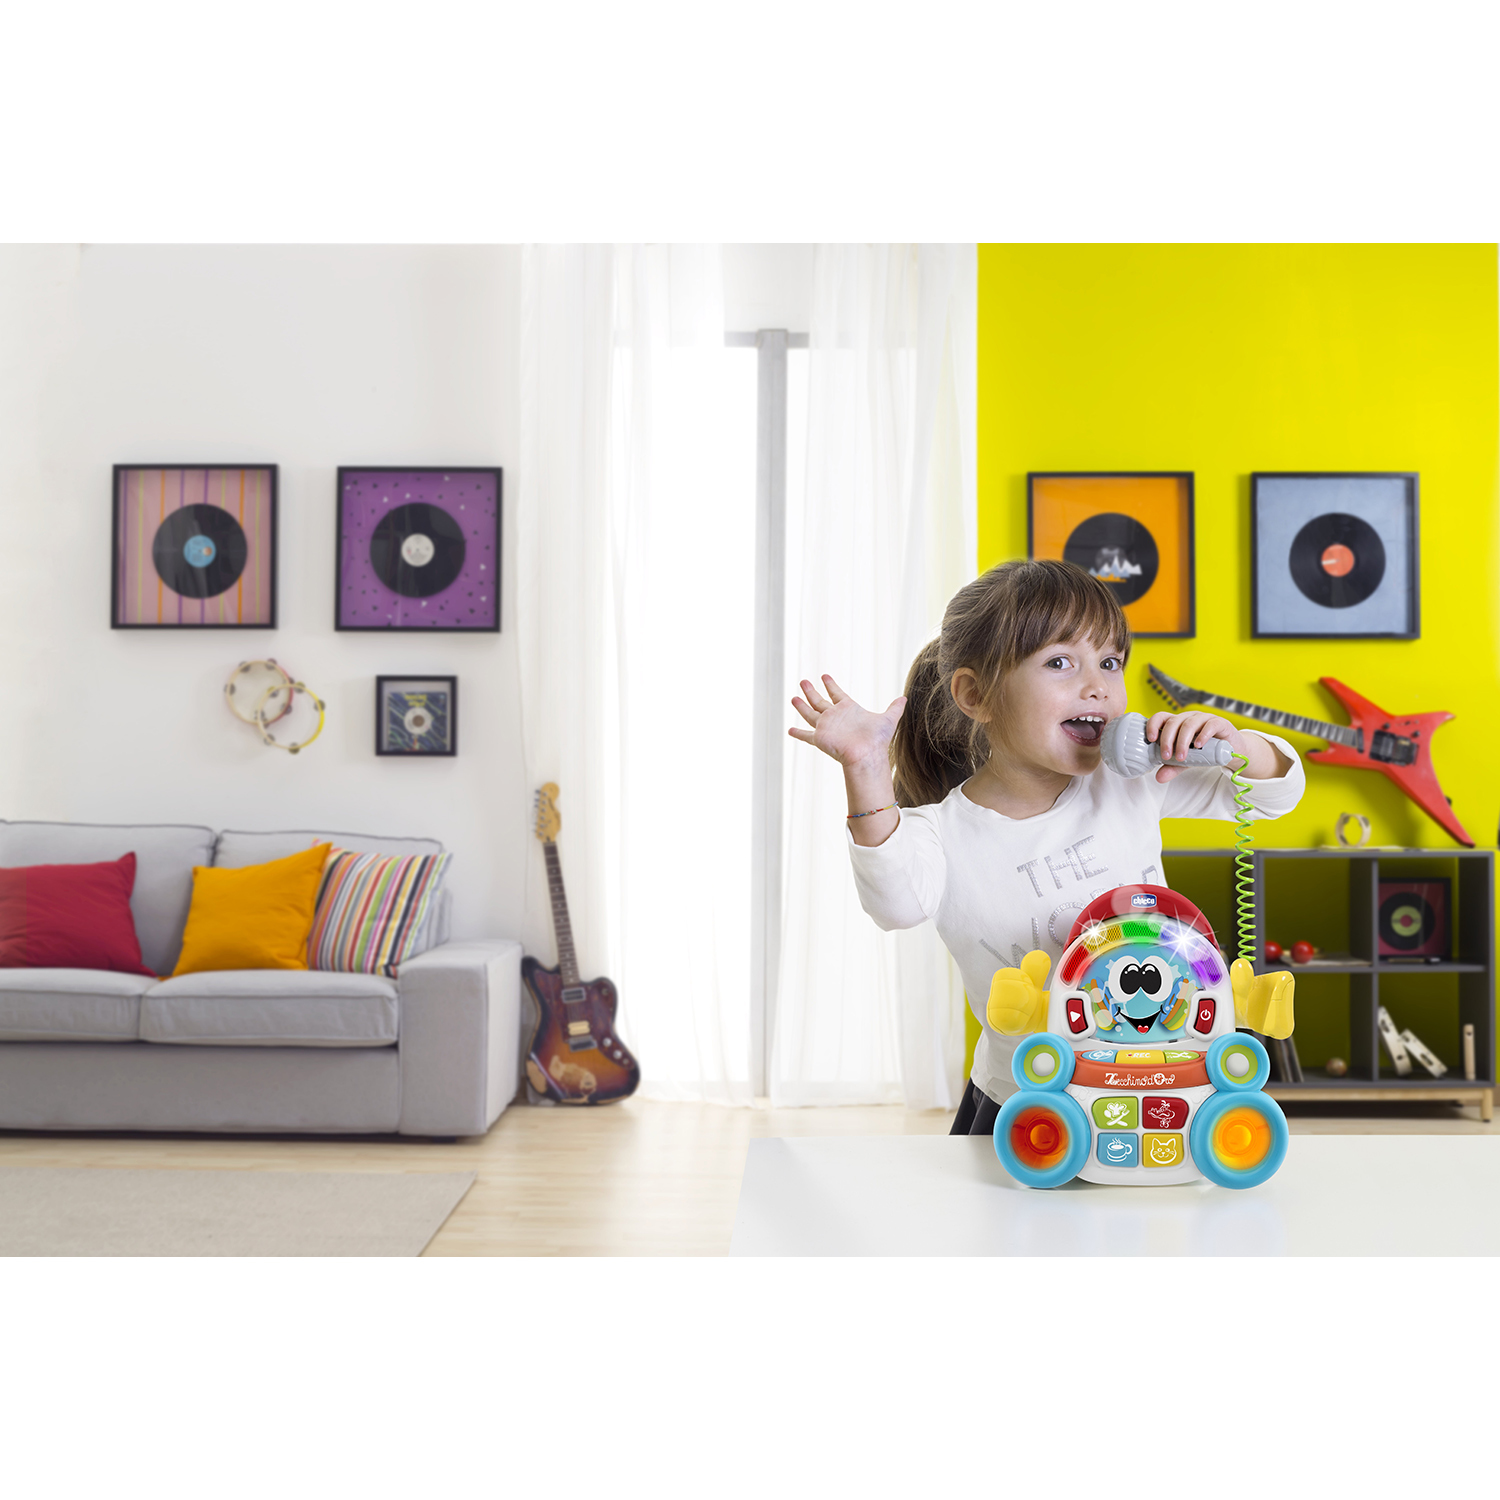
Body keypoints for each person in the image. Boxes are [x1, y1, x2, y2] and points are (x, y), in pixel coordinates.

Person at [788, 557, 1305, 1137]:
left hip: (1158, 1088)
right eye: (1060, 662)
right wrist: (865, 770)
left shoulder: (1133, 782)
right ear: (976, 695)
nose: (1097, 685)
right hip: (1024, 1103)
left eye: (1110, 662)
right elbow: (895, 904)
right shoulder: (939, 831)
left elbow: (1275, 795)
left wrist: (1237, 746)